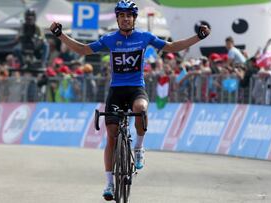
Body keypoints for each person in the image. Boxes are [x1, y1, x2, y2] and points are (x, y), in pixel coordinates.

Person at [49, 0, 210, 200]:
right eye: (122, 16)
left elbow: (172, 47)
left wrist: (198, 37)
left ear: (134, 19)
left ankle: (139, 146)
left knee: (141, 108)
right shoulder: (109, 39)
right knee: (112, 134)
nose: (125, 19)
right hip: (116, 91)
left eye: (129, 16)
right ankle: (109, 183)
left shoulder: (144, 37)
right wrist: (60, 35)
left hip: (136, 88)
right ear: (117, 18)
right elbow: (83, 50)